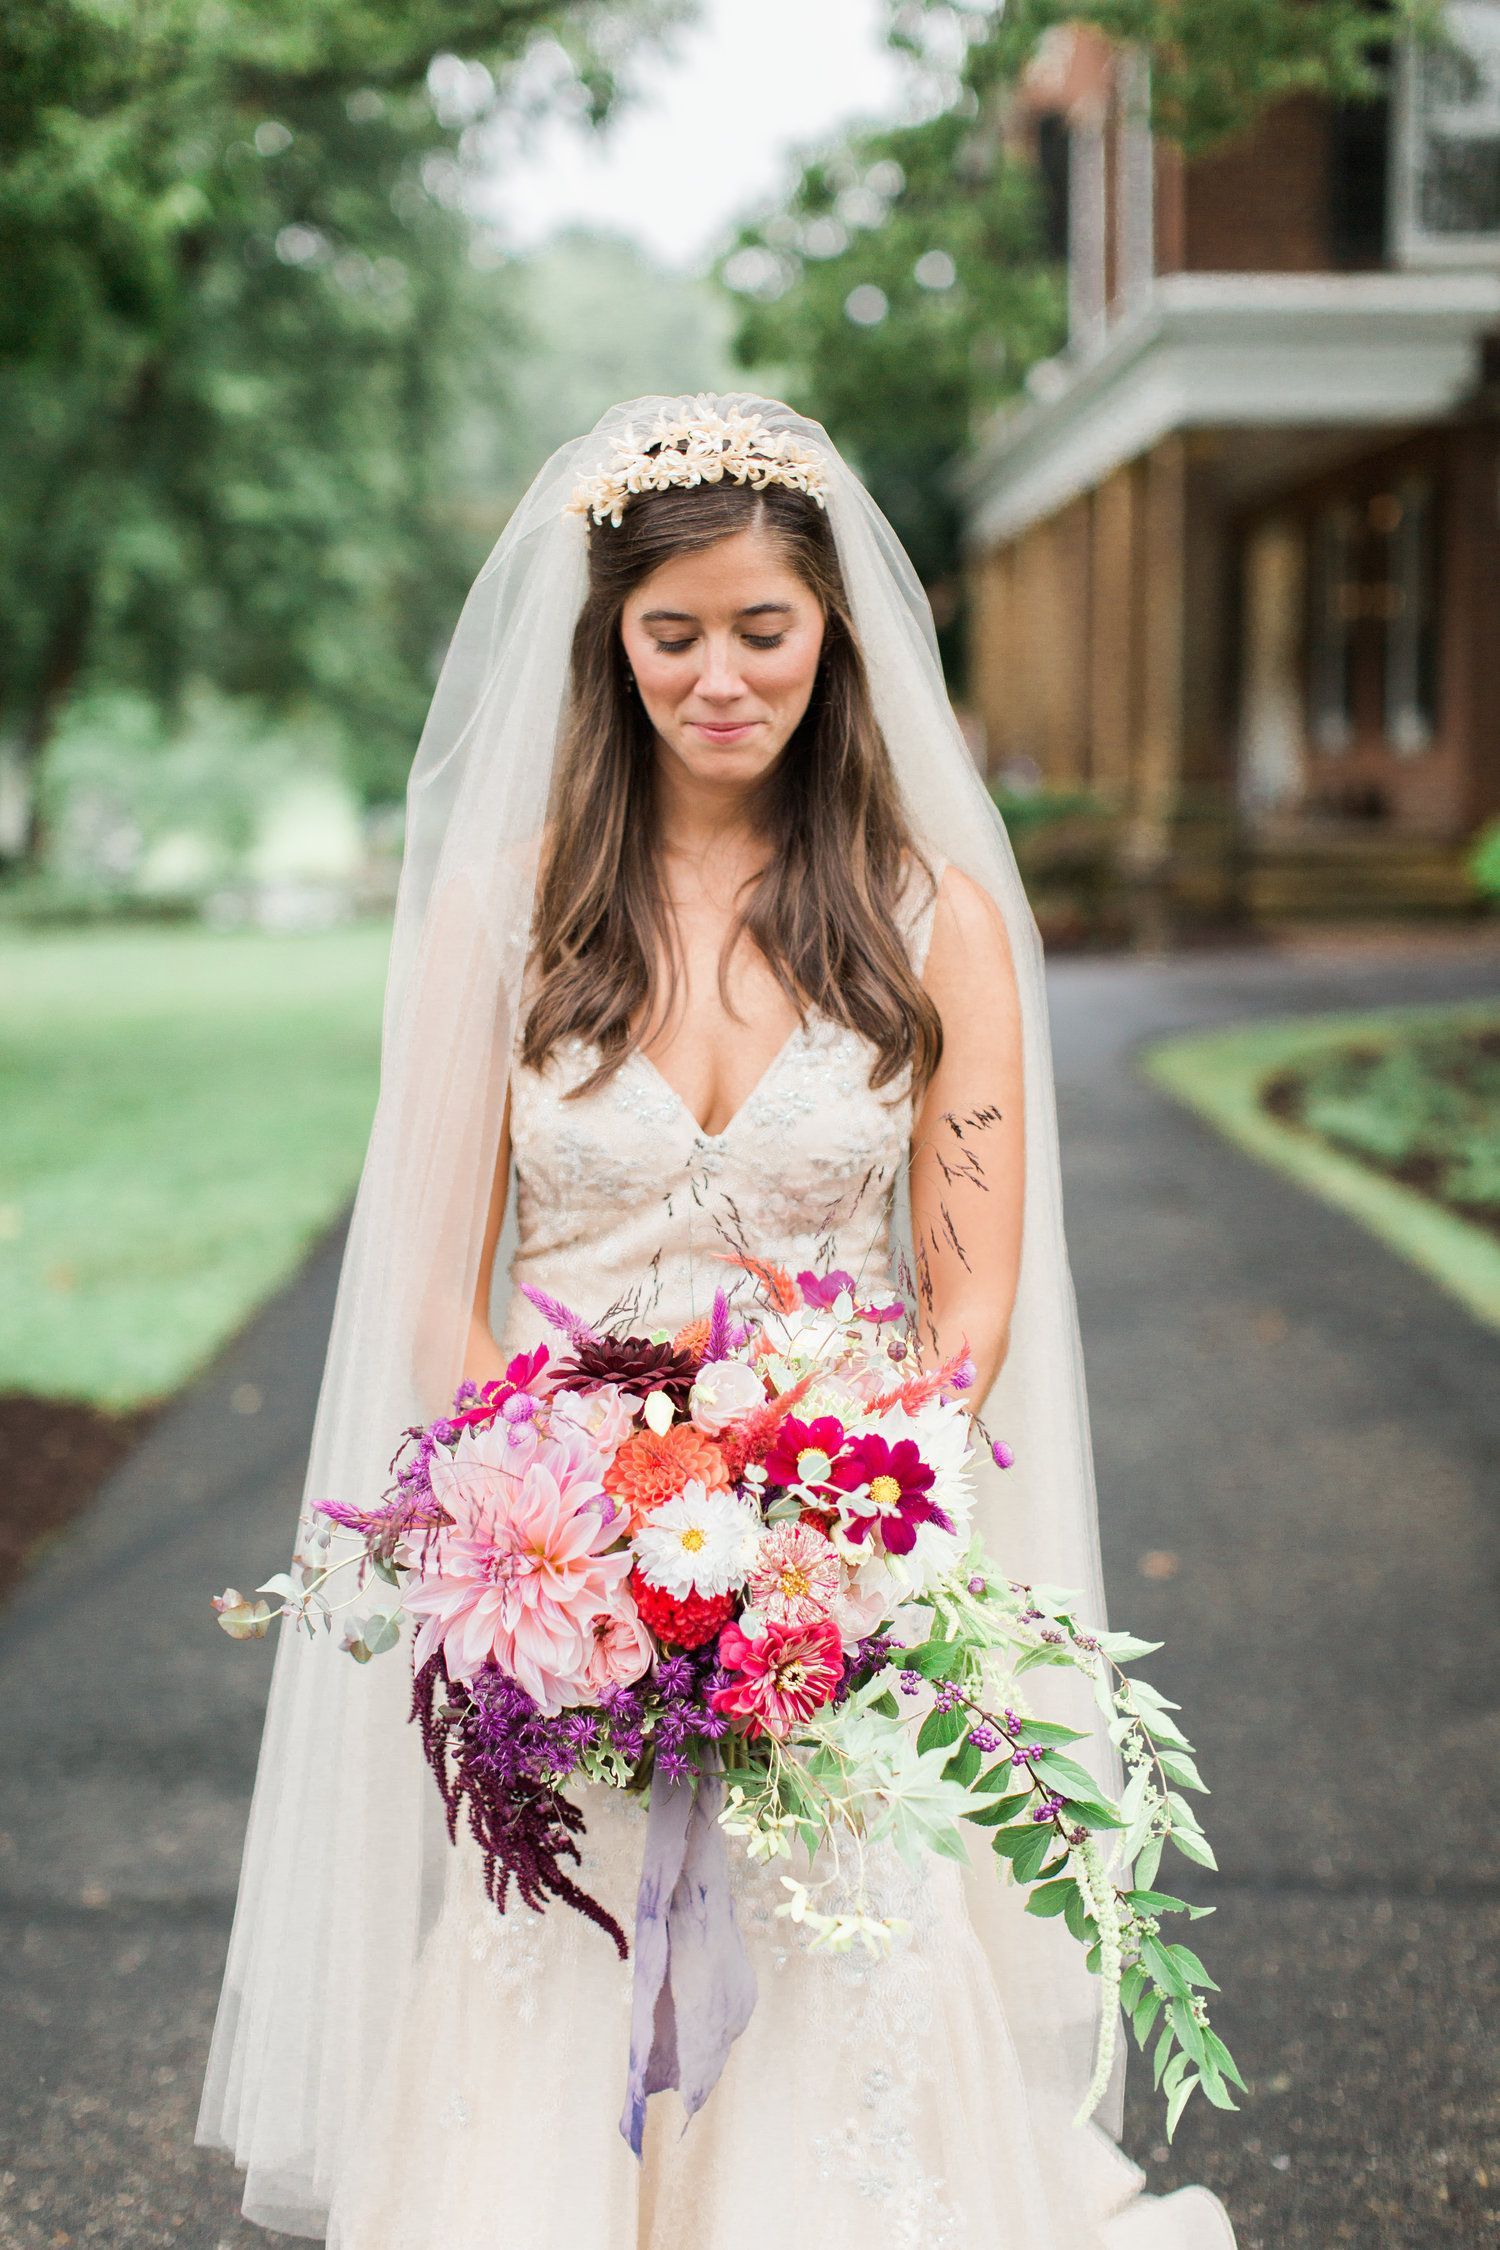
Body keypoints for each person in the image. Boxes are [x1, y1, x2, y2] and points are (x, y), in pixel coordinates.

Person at [199, 395, 1236, 2249]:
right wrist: (554, 1537)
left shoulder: (930, 916)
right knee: (568, 1943)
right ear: (611, 636)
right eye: (672, 633)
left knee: (841, 1952)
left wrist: (822, 1534)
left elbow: (971, 1293)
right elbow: (433, 1283)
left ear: (833, 629)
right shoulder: (509, 914)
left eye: (764, 628)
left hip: (835, 1571)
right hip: (560, 1579)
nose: (721, 678)